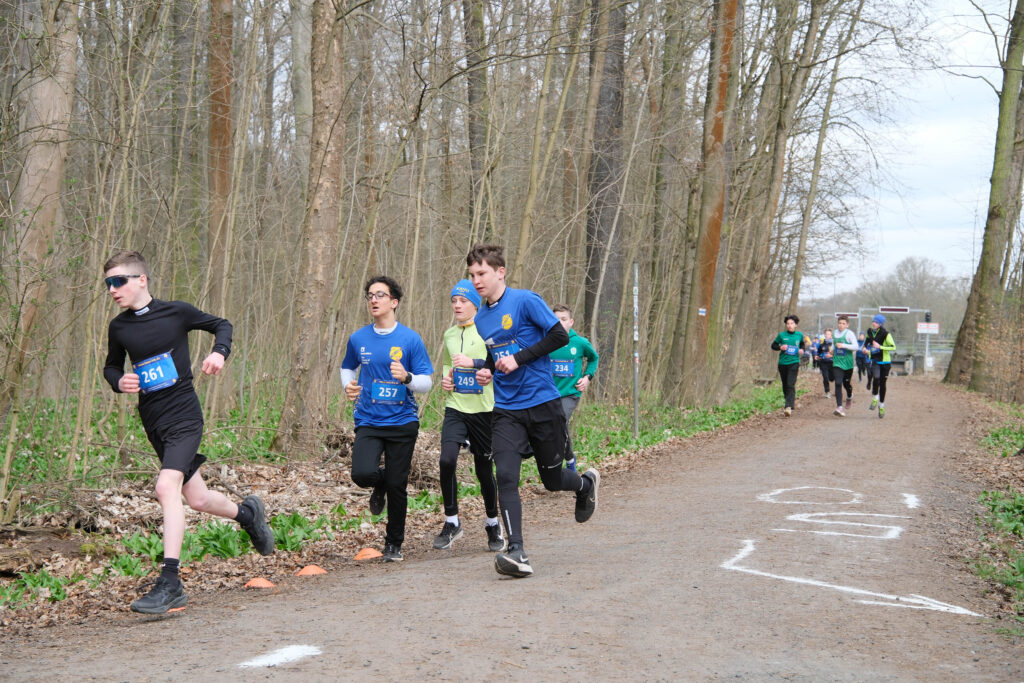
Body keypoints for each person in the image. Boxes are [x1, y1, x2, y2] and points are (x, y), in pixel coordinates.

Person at [102, 251, 274, 615]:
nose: (113, 290)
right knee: (197, 498)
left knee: (166, 487)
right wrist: (119, 381)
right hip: (154, 421)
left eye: (119, 281)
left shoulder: (176, 312)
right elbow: (111, 366)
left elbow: (222, 325)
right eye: (108, 284)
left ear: (141, 280)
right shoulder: (119, 328)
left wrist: (219, 353)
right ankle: (247, 515)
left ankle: (170, 582)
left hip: (184, 415)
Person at [467, 244, 599, 578]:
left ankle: (584, 485)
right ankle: (517, 551)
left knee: (552, 481)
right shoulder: (480, 318)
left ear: (500, 272)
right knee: (505, 476)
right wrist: (487, 370)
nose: (476, 280)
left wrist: (519, 359)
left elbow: (558, 336)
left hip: (542, 404)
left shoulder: (526, 301)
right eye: (472, 275)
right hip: (507, 409)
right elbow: (495, 353)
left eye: (481, 273)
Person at [341, 276, 434, 562]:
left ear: (394, 302)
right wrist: (348, 385)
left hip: (402, 421)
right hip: (369, 419)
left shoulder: (410, 339)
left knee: (398, 485)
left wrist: (407, 377)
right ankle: (379, 483)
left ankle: (394, 544)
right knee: (362, 474)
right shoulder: (358, 338)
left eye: (380, 294)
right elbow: (347, 367)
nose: (373, 299)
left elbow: (426, 382)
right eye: (370, 295)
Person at [433, 280, 504, 552]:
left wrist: (473, 364)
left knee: (484, 470)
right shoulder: (450, 335)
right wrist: (446, 380)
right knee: (446, 460)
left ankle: (492, 523)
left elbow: (496, 364)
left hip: (484, 409)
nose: (457, 306)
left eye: (463, 301)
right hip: (456, 407)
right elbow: (448, 364)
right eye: (454, 301)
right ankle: (452, 521)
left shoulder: (488, 330)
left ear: (475, 304)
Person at [548, 304, 599, 473]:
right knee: (556, 426)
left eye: (563, 319)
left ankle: (562, 461)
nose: (560, 323)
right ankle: (569, 458)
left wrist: (587, 377)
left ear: (571, 322)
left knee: (560, 419)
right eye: (556, 320)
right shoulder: (546, 341)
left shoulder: (580, 343)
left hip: (570, 393)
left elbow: (594, 358)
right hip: (549, 394)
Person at [771, 314, 805, 417]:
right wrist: (781, 347)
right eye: (788, 323)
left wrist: (802, 350)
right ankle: (789, 401)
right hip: (783, 363)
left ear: (796, 325)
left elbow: (802, 345)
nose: (790, 325)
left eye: (792, 323)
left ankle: (788, 406)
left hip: (794, 362)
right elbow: (773, 345)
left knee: (790, 384)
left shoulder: (799, 335)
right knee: (785, 384)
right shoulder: (782, 335)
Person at [865, 314, 896, 418]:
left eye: (876, 322)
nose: (874, 323)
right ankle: (875, 397)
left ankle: (881, 405)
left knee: (883, 384)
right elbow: (867, 341)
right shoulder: (870, 332)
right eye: (873, 321)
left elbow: (893, 347)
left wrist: (880, 347)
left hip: (885, 363)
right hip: (875, 361)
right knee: (876, 378)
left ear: (880, 324)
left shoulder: (886, 334)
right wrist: (864, 348)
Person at [830, 316, 858, 416]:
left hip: (848, 363)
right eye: (839, 323)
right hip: (837, 362)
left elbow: (856, 347)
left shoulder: (849, 334)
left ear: (847, 325)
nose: (841, 325)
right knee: (838, 383)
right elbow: (834, 344)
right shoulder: (834, 333)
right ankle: (839, 407)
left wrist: (844, 345)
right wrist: (832, 350)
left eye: (843, 323)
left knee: (846, 384)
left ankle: (849, 396)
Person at [817, 329, 834, 398]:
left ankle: (832, 379)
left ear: (831, 335)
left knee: (832, 378)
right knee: (825, 377)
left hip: (832, 363)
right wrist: (819, 356)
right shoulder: (822, 344)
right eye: (826, 334)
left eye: (829, 334)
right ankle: (827, 391)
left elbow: (838, 353)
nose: (827, 335)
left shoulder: (834, 343)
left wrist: (832, 355)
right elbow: (819, 353)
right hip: (824, 363)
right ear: (824, 335)